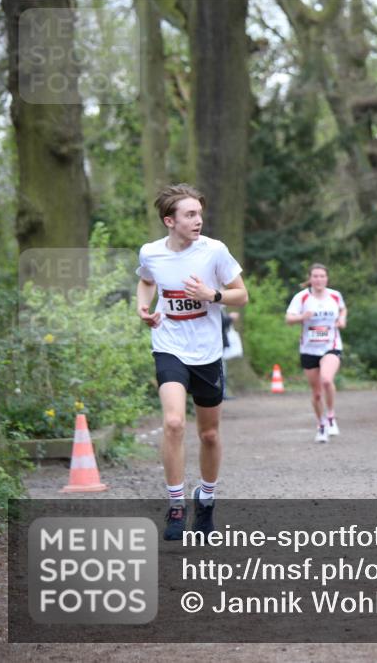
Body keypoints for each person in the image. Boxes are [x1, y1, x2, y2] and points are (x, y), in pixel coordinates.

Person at [136, 183, 248, 541]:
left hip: (207, 352)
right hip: (169, 346)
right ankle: (175, 504)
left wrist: (211, 294)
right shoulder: (152, 253)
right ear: (170, 221)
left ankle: (207, 499)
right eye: (190, 214)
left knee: (209, 434)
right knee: (172, 423)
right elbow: (146, 281)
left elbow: (241, 296)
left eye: (199, 213)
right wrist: (144, 309)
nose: (198, 220)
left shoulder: (215, 251)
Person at [285, 264, 347, 443]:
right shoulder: (302, 297)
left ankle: (331, 416)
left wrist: (342, 319)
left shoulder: (335, 295)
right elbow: (288, 318)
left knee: (327, 380)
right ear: (310, 278)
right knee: (317, 393)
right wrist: (302, 317)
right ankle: (321, 425)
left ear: (327, 278)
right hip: (309, 349)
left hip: (331, 345)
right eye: (315, 276)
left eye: (322, 276)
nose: (319, 279)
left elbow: (342, 309)